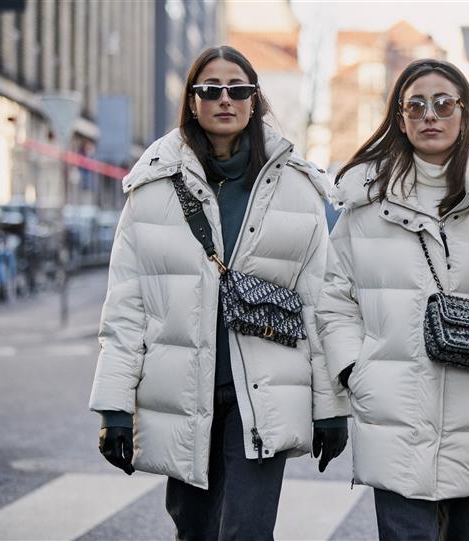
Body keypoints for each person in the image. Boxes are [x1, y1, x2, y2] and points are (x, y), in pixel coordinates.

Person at [89, 46, 349, 541]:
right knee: (194, 531)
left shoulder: (297, 188)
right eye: (210, 89)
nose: (224, 99)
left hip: (266, 393)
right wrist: (114, 408)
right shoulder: (152, 188)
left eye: (239, 89)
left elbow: (321, 305)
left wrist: (330, 406)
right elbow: (127, 307)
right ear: (191, 102)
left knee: (246, 533)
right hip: (181, 388)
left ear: (255, 100)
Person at [316, 58, 469, 541]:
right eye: (416, 104)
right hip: (393, 412)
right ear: (400, 118)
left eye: (444, 103)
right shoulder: (366, 206)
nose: (431, 114)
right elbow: (335, 300)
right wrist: (353, 372)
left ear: (464, 114)